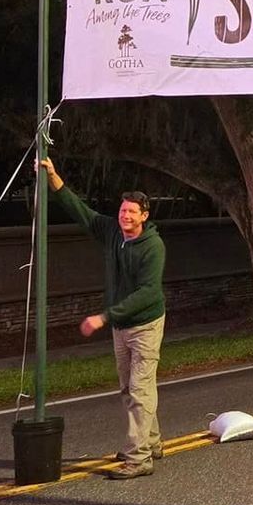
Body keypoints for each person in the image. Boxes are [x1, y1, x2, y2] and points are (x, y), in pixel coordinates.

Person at [40, 158, 167, 478]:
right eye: (122, 211)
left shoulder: (153, 246)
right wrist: (54, 177)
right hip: (121, 326)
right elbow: (79, 210)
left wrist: (104, 316)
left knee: (140, 389)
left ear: (144, 216)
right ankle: (150, 441)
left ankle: (139, 459)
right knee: (130, 388)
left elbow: (148, 293)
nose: (125, 216)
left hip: (146, 324)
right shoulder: (111, 231)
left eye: (131, 212)